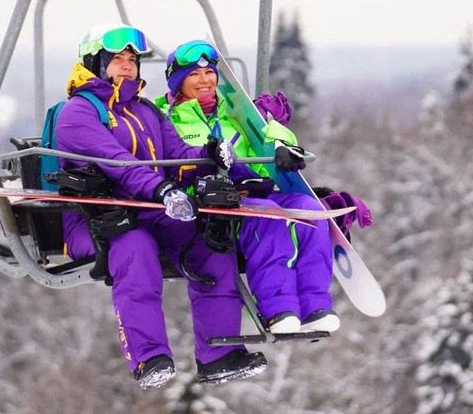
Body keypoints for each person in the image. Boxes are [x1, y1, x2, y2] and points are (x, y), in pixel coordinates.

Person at [55, 25, 267, 389]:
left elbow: (178, 155)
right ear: (95, 64)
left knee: (211, 242)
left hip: (153, 209)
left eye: (132, 60)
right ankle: (149, 357)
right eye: (117, 60)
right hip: (100, 218)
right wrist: (162, 188)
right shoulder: (78, 114)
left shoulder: (146, 111)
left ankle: (217, 356)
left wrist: (208, 155)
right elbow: (117, 161)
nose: (126, 67)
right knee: (135, 250)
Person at [154, 40, 353, 335]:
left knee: (309, 211)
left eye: (209, 73)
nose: (205, 81)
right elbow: (167, 163)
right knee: (268, 215)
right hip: (211, 204)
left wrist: (284, 146)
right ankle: (278, 309)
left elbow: (266, 134)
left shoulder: (233, 112)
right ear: (178, 81)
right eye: (194, 75)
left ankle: (314, 305)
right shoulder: (165, 118)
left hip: (253, 190)